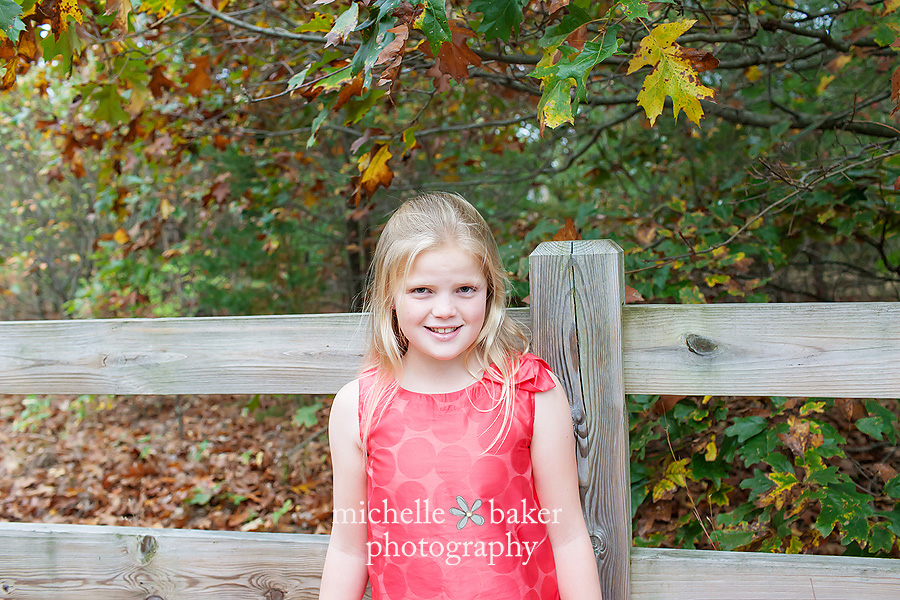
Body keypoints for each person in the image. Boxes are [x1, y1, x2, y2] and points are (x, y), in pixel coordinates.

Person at [319, 192, 602, 600]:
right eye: (422, 291)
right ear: (390, 296)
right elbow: (349, 548)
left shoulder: (528, 393)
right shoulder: (360, 406)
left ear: (489, 292)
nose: (445, 309)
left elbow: (569, 538)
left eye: (465, 289)